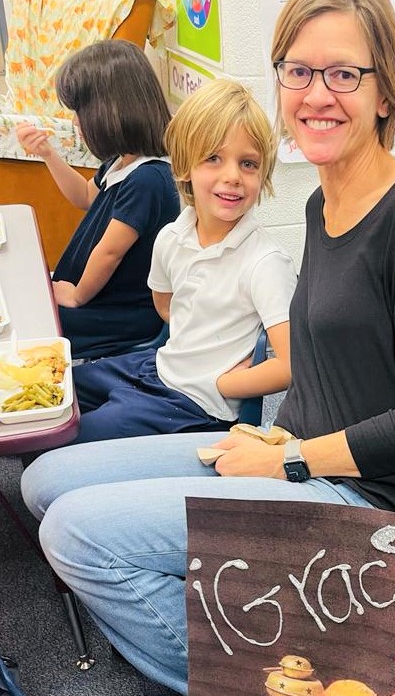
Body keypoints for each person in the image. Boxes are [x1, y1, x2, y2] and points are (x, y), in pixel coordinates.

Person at [22, 0, 395, 696]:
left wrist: (292, 457)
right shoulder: (324, 203)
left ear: (384, 92)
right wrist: (275, 439)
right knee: (44, 479)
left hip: (364, 500)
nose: (316, 94)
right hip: (293, 454)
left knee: (75, 534)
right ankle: (239, 608)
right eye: (297, 71)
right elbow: (326, 375)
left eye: (343, 74)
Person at [65, 78, 295, 444]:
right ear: (185, 165)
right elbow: (167, 306)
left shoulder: (266, 262)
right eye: (213, 158)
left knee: (73, 435)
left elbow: (290, 363)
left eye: (248, 163)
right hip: (158, 367)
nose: (232, 176)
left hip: (195, 405)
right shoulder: (171, 237)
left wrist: (225, 381)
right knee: (61, 390)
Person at [16, 40, 180, 360]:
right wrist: (48, 154)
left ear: (110, 109)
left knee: (28, 320)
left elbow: (109, 253)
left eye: (80, 111)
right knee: (24, 296)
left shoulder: (148, 179)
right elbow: (83, 196)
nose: (76, 121)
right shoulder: (121, 162)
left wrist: (76, 296)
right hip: (97, 297)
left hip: (119, 317)